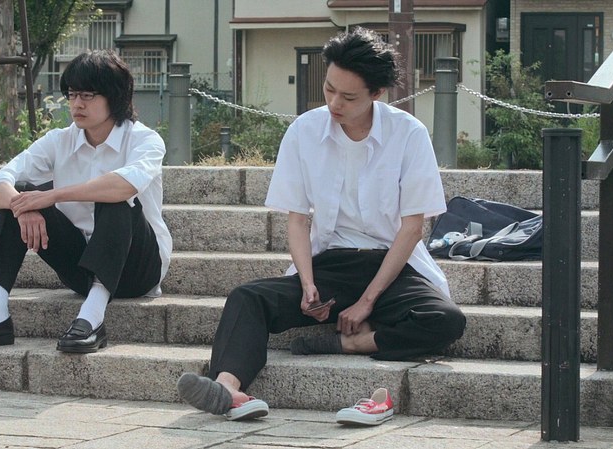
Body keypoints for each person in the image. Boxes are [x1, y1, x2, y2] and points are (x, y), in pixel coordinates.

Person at [176, 27, 466, 421]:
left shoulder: (408, 134)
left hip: (392, 268)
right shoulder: (305, 131)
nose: (334, 103)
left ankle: (351, 343)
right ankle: (228, 387)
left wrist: (367, 302)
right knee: (248, 297)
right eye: (329, 88)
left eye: (348, 97)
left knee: (446, 320)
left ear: (377, 93)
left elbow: (412, 228)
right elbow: (298, 220)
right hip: (330, 265)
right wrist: (308, 283)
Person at [0, 50, 172, 354]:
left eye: (87, 95)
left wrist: (54, 195)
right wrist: (22, 206)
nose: (77, 104)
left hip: (137, 269)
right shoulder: (59, 140)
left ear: (115, 96)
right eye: (72, 94)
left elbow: (124, 186)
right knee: (18, 196)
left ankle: (92, 318)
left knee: (113, 197)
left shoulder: (144, 140)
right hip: (81, 268)